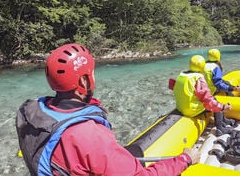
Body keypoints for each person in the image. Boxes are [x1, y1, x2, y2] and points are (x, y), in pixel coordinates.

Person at [16, 43, 199, 176]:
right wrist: (185, 159)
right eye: (92, 73)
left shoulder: (29, 110)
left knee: (132, 152)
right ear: (84, 81)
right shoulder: (88, 134)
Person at [173, 55, 235, 136]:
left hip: (180, 108)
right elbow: (207, 99)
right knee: (215, 102)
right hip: (192, 110)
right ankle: (220, 129)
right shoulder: (198, 78)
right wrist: (223, 107)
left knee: (213, 101)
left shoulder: (181, 75)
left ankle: (224, 120)